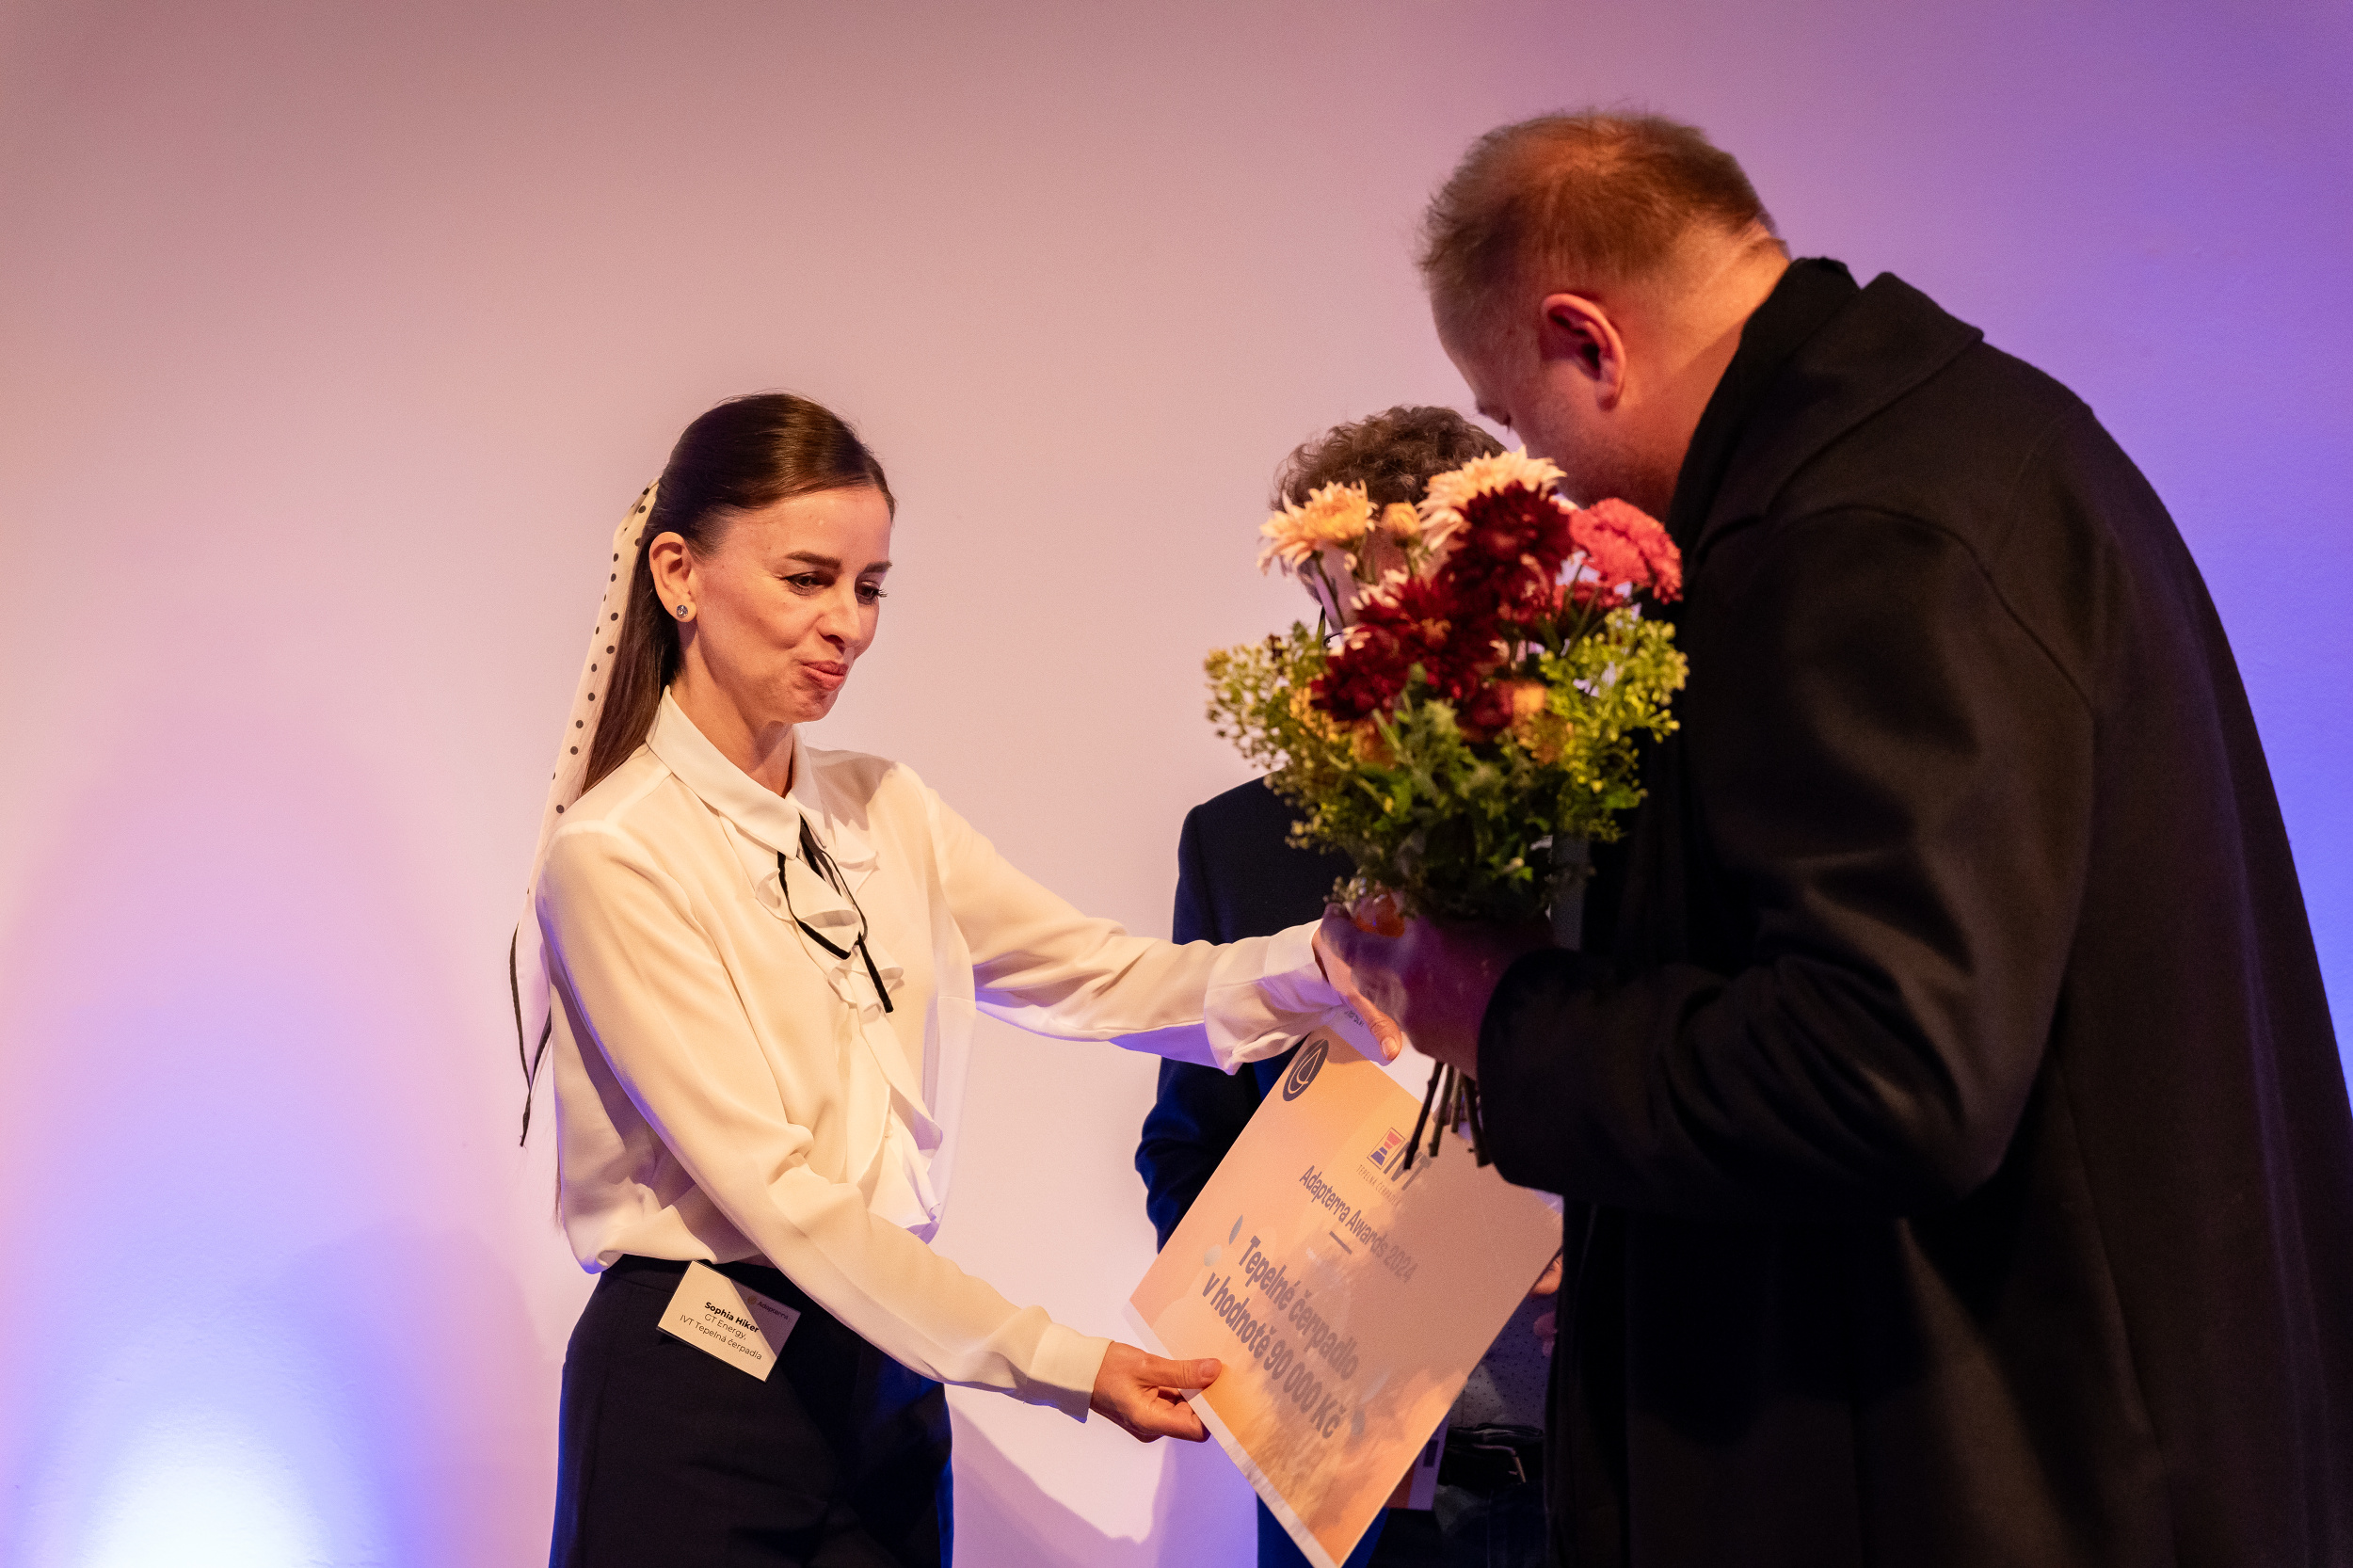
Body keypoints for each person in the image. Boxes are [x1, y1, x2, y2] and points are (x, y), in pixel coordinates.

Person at [1319, 113, 2353, 1567]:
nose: (1548, 481)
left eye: (1520, 424)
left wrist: (1508, 1015)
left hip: (2006, 1484)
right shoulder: (1968, 443)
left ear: (1586, 341)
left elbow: (1884, 1070)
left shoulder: (1857, 531)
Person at [515, 392, 1360, 1567]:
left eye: (868, 587)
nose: (846, 625)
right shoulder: (614, 852)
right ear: (677, 573)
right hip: (696, 1394)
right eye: (807, 578)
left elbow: (1100, 977)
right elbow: (780, 1195)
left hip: (889, 1370)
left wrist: (1331, 964)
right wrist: (1063, 1362)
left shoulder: (885, 805)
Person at [1136, 406, 1557, 1568]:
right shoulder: (1241, 842)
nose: (1379, 640)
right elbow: (1184, 1146)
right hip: (1347, 1501)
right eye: (1348, 609)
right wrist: (1257, 1321)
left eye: (1414, 599)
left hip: (1577, 1479)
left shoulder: (1601, 822)